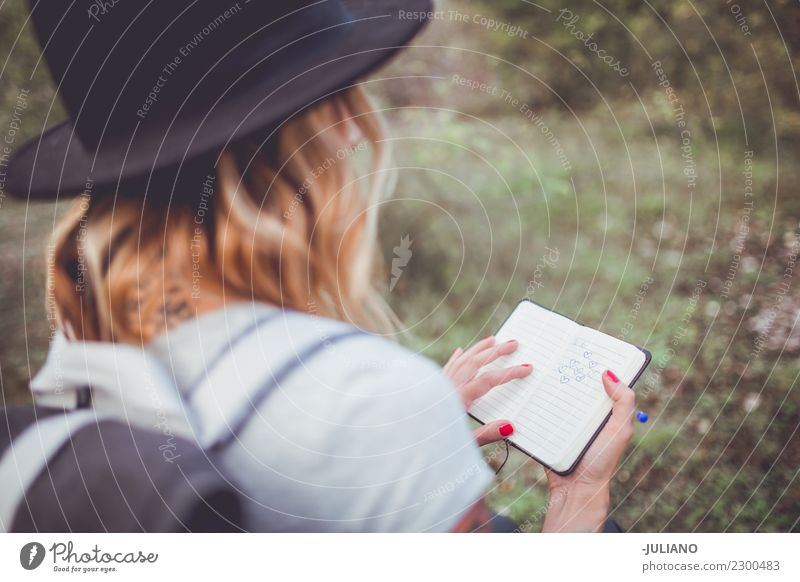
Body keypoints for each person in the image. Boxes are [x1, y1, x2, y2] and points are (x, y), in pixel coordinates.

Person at [8, 0, 635, 532]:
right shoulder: (371, 402)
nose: (353, 137)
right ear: (319, 129)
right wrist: (578, 496)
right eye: (340, 102)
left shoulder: (86, 338)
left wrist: (406, 437)